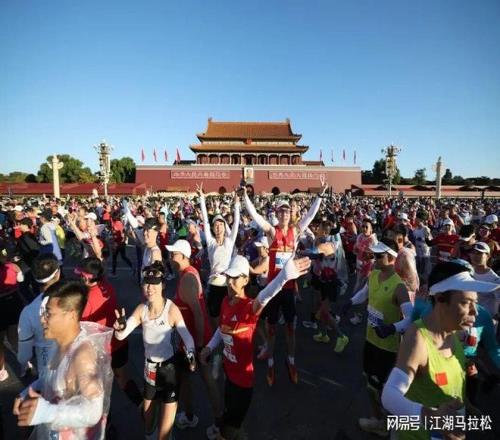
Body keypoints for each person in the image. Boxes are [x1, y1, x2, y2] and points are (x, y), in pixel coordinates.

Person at [381, 261, 500, 439]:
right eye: (466, 303)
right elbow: (389, 395)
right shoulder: (418, 339)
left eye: (475, 302)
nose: (475, 312)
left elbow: (453, 387)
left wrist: (468, 408)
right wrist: (433, 417)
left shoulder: (452, 333)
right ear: (440, 300)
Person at [200, 254, 311, 440]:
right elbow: (222, 329)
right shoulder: (226, 302)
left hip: (243, 382)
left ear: (245, 280)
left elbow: (264, 296)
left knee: (228, 429)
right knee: (231, 419)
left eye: (235, 278)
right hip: (229, 374)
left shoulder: (249, 308)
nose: (230, 282)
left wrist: (283, 277)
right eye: (228, 277)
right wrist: (209, 348)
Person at [243, 179, 326, 385]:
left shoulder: (295, 231)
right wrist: (245, 196)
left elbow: (310, 216)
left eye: (287, 211)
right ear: (277, 214)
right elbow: (255, 216)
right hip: (273, 288)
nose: (284, 214)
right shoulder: (272, 232)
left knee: (290, 328)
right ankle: (271, 363)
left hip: (288, 288)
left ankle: (291, 361)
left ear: (290, 214)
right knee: (271, 329)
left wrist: (319, 196)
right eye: (281, 212)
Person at [13, 279, 114, 439]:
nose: (42, 319)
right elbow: (50, 377)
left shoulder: (82, 356)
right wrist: (27, 392)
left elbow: (94, 410)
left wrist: (46, 412)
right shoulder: (60, 343)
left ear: (71, 315)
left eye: (48, 313)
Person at [113, 261, 196, 440]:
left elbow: (187, 337)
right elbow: (121, 335)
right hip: (150, 370)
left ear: (163, 285)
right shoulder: (141, 310)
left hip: (170, 371)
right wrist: (120, 328)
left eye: (154, 283)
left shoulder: (171, 310)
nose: (150, 288)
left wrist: (191, 354)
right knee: (148, 424)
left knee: (163, 434)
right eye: (146, 283)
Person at [342, 239, 413, 436]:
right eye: (374, 255)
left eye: (379, 256)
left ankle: (387, 424)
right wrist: (351, 301)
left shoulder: (398, 286)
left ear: (391, 258)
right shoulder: (373, 274)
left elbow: (411, 318)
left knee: (381, 389)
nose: (374, 259)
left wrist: (392, 328)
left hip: (387, 348)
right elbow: (365, 293)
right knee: (370, 383)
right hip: (370, 340)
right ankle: (380, 420)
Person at [166, 239, 223, 438]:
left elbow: (198, 314)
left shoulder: (188, 279)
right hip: (190, 340)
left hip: (194, 341)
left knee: (201, 380)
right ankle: (195, 417)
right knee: (190, 379)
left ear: (183, 256)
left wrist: (198, 346)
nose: (170, 257)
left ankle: (216, 422)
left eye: (174, 254)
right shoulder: (188, 273)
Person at [75, 257, 142, 406]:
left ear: (87, 278)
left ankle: (104, 416)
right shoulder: (106, 286)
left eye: (81, 275)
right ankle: (141, 405)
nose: (79, 278)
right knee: (122, 377)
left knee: (97, 385)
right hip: (119, 342)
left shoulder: (88, 300)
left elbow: (80, 326)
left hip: (101, 349)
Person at [196, 184, 241, 378]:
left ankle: (228, 353)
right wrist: (202, 198)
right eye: (216, 225)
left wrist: (237, 204)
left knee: (228, 320)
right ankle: (218, 354)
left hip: (227, 287)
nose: (218, 226)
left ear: (224, 226)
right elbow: (205, 221)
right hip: (213, 287)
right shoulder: (211, 242)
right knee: (215, 322)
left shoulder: (230, 242)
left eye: (221, 224)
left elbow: (236, 223)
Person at [17, 254, 60, 379]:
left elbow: (23, 356)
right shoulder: (74, 297)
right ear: (58, 273)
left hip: (46, 359)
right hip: (75, 356)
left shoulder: (28, 311)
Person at [0, 245, 24, 381]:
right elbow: (21, 279)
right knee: (14, 337)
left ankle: (1, 370)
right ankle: (25, 363)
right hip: (15, 301)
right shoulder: (13, 267)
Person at [470, 242, 500, 319]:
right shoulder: (466, 273)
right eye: (473, 253)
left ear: (488, 256)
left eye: (479, 253)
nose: (475, 256)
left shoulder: (495, 280)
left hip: (485, 321)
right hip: (468, 319)